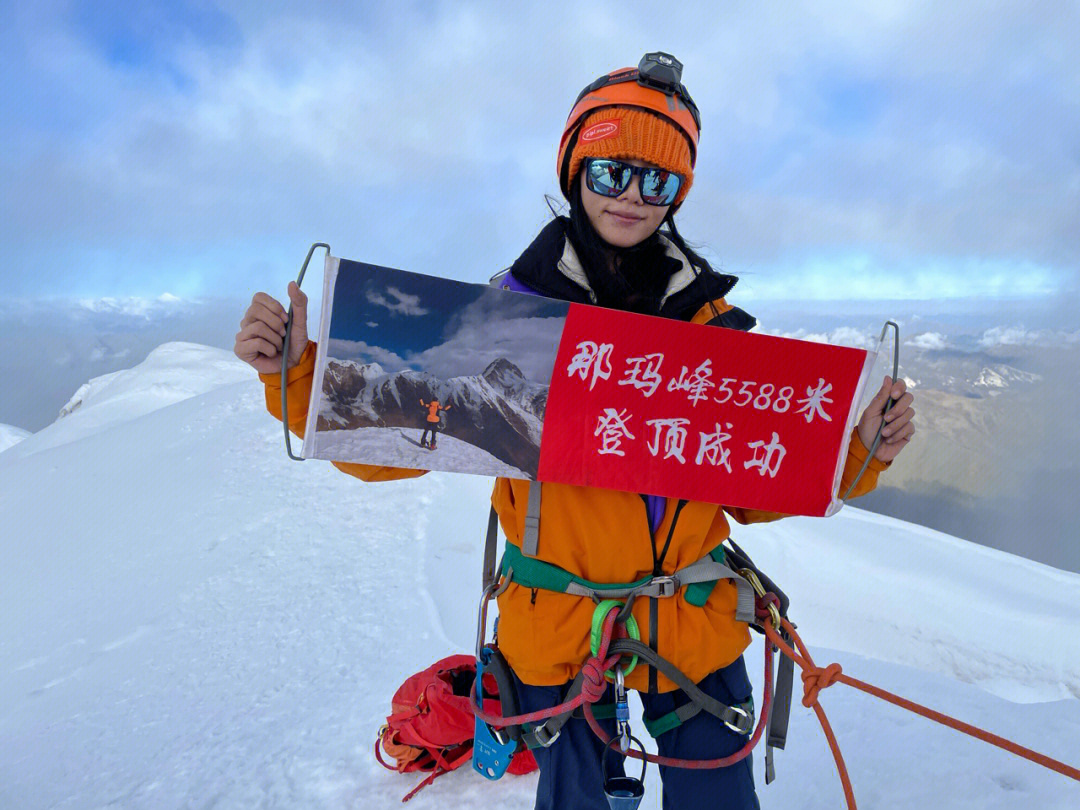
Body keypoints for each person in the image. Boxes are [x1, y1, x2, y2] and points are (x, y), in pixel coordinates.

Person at [234, 52, 915, 810]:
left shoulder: (712, 328)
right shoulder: (506, 316)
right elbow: (390, 447)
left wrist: (862, 449)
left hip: (687, 618)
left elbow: (753, 483)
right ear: (574, 169)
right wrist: (296, 374)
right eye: (608, 171)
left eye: (657, 180)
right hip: (561, 628)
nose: (632, 195)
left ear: (678, 193)